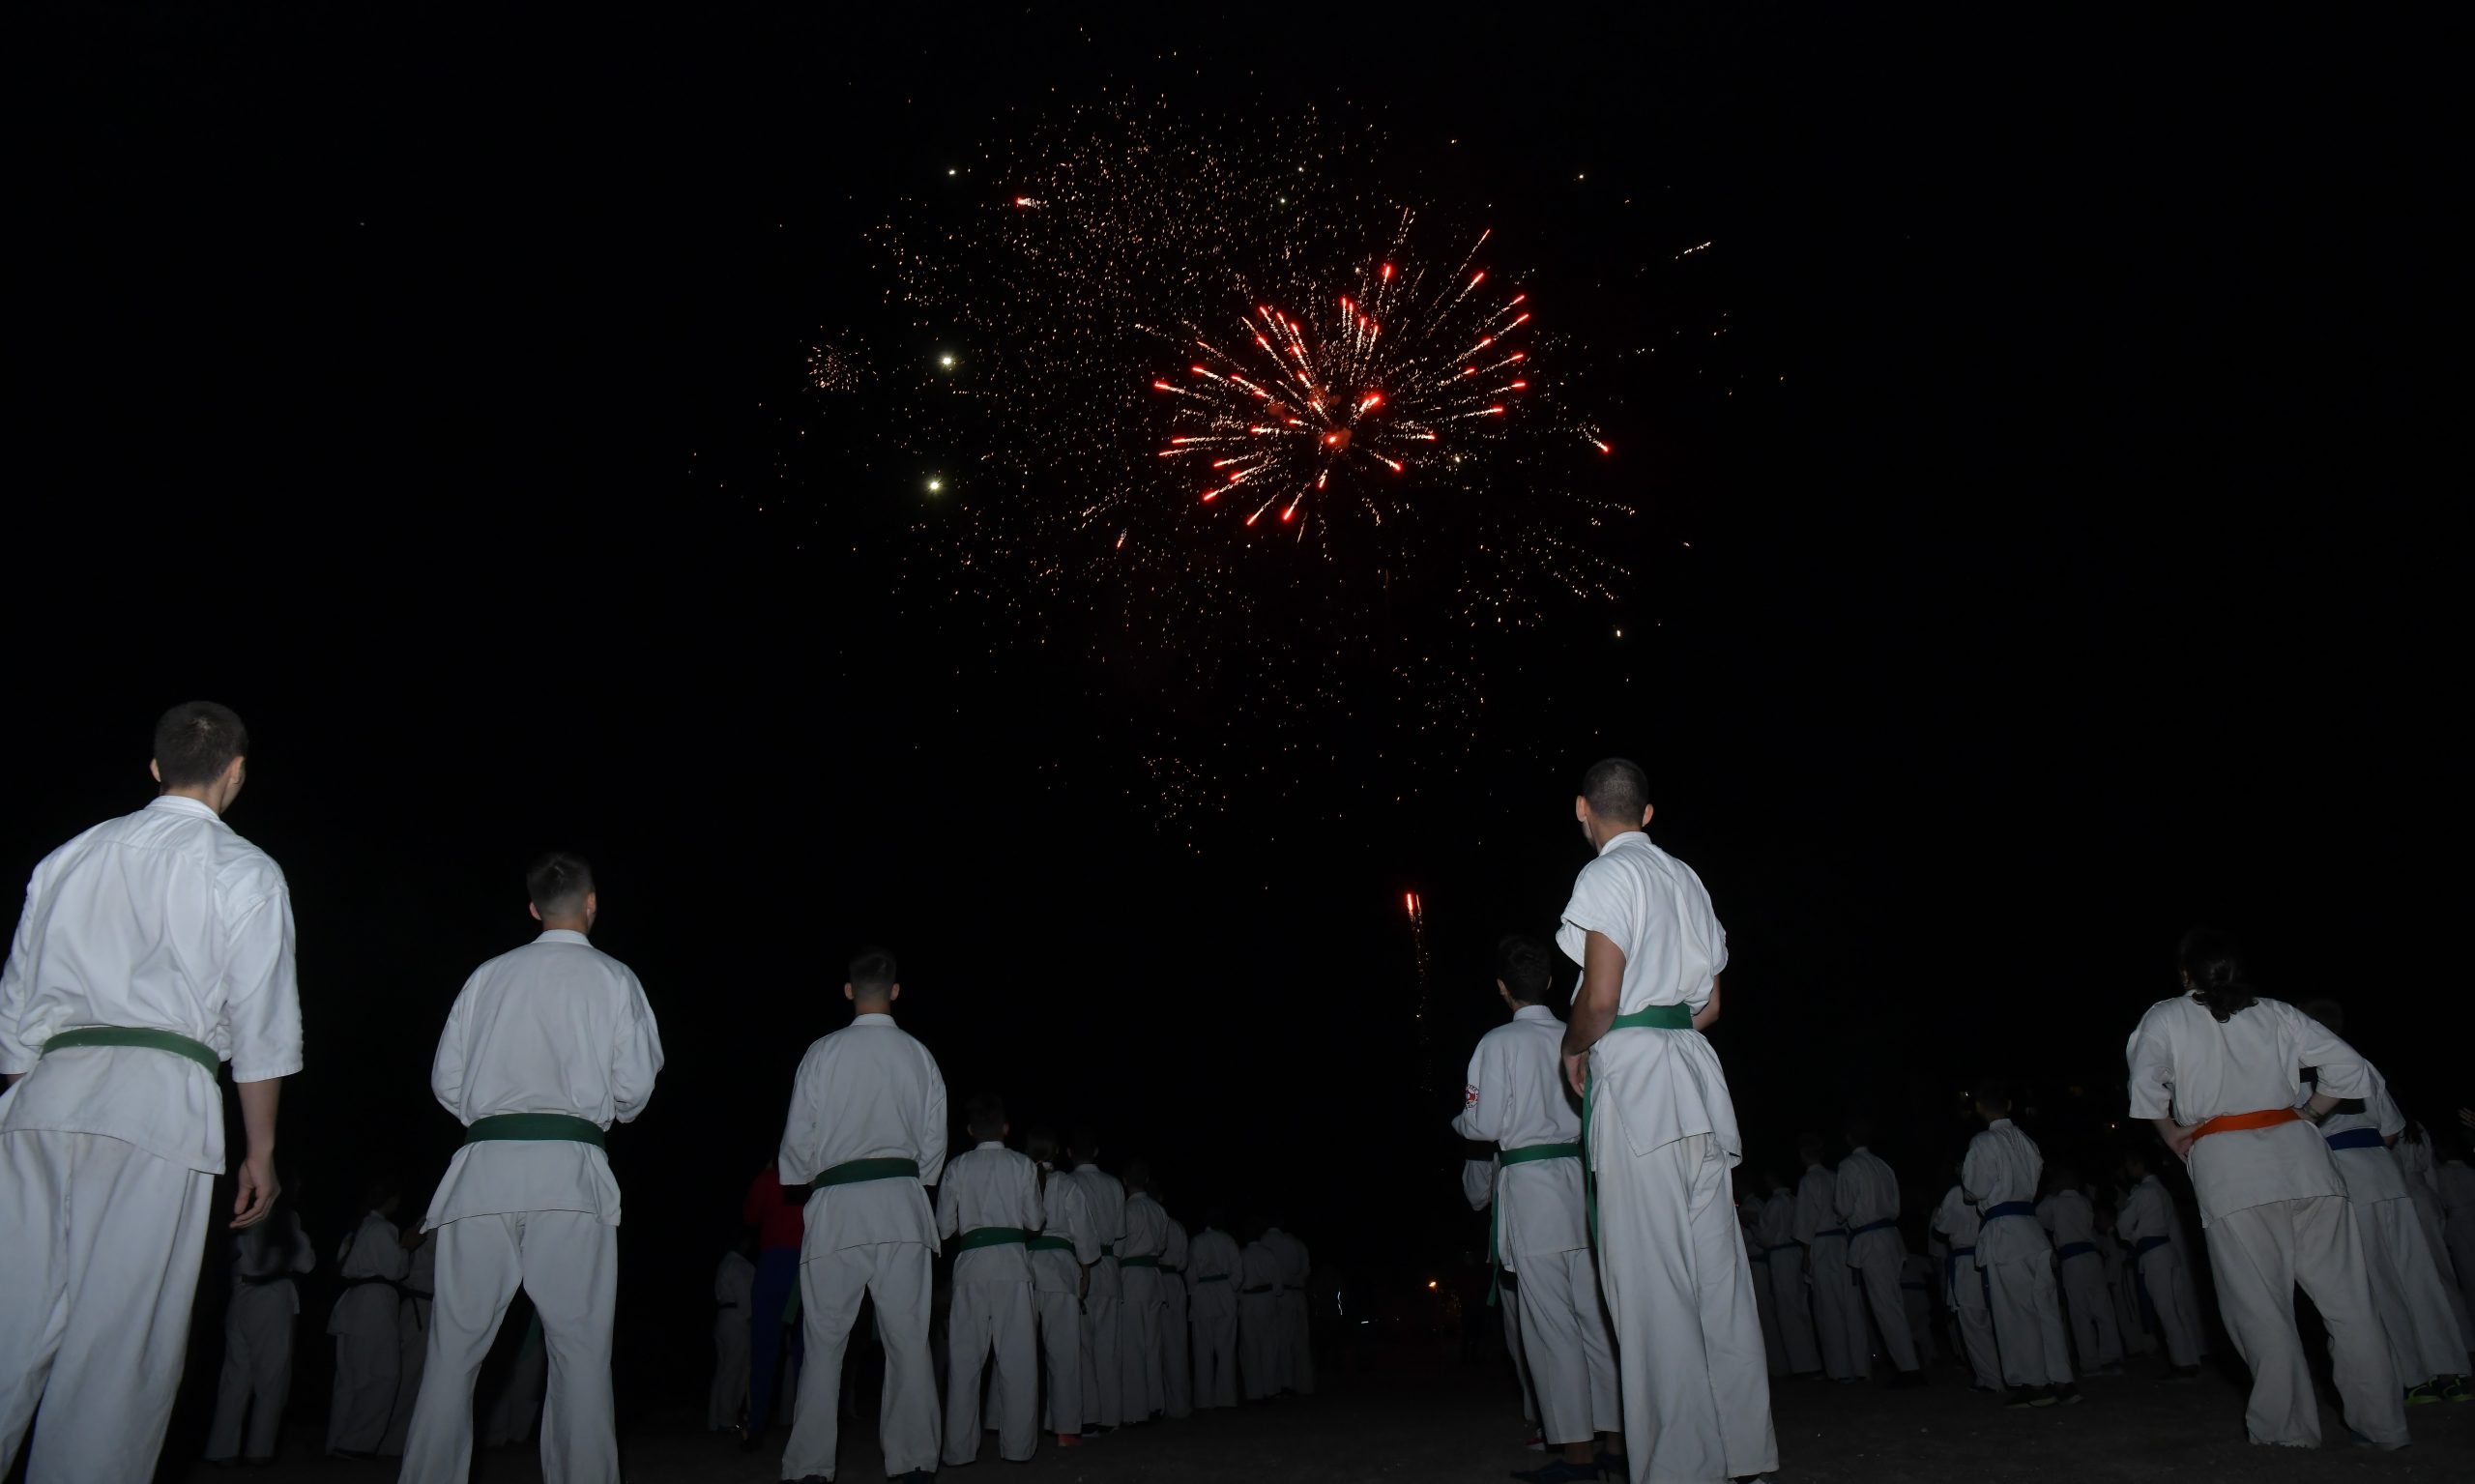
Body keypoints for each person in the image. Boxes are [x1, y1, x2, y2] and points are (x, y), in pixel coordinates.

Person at [0, 702, 300, 1484]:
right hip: (160, 1108)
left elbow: (15, 1009)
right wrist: (261, 1150)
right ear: (236, 773)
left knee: (8, 1327)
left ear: (156, 768)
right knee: (117, 1348)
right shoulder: (246, 871)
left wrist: (35, 1105)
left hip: (41, 1099)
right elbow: (260, 1024)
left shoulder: (68, 857)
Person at [396, 851, 666, 1484]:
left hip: (482, 1176)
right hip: (569, 1180)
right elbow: (633, 1094)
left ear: (532, 908)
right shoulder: (615, 979)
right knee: (578, 1353)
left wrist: (497, 1111)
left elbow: (447, 1082)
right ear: (593, 901)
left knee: (452, 1356)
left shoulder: (488, 976)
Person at [1555, 758, 1777, 1483]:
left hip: (1642, 1088)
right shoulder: (1686, 877)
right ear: (1647, 813)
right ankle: (1742, 1452)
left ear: (1583, 810)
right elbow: (1709, 1004)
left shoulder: (1604, 876)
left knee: (1653, 1290)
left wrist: (1574, 1042)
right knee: (1720, 1283)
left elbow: (1603, 993)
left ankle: (1682, 1466)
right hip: (1698, 1084)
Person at [2123, 928, 2405, 1449]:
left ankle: (2287, 1429)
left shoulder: (2166, 1015)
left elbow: (2145, 1088)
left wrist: (2173, 1136)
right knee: (2350, 1302)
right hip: (2305, 1163)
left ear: (2187, 974)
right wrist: (2308, 1113)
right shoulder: (2276, 1011)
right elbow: (2349, 1068)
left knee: (2260, 1306)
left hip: (2232, 1170)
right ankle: (2384, 1424)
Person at [775, 947, 947, 1484]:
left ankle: (809, 1468)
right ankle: (914, 1461)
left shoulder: (822, 1053)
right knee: (908, 1342)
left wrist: (805, 1174)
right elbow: (933, 1149)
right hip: (901, 1211)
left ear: (848, 991)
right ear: (896, 991)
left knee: (825, 1344)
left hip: (838, 1216)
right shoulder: (920, 1056)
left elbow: (799, 1142)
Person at [1452, 932, 1620, 1481]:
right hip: (1580, 1180)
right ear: (1548, 982)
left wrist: (1460, 1123)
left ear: (1503, 989)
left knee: (1551, 1327)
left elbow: (1484, 1124)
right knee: (1596, 1317)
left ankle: (1575, 1453)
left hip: (1530, 1187)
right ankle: (1616, 1436)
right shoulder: (1578, 1034)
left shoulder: (1496, 1044)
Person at [2297, 1003, 2471, 1405]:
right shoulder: (2360, 1065)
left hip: (2346, 1176)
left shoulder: (2297, 1077)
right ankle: (2451, 1370)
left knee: (2379, 1280)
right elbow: (2390, 1129)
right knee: (2419, 1273)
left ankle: (2413, 1376)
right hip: (2385, 1173)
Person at [936, 1093, 1043, 1467]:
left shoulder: (956, 1168)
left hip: (971, 1271)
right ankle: (1017, 1448)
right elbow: (1034, 1222)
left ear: (969, 1131)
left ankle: (959, 1450)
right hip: (1013, 1269)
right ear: (1006, 1128)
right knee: (1018, 1361)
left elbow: (945, 1227)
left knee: (964, 1362)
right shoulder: (1023, 1166)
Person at [1962, 1082, 2078, 1407]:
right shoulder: (2027, 1141)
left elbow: (1975, 1189)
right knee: (2045, 1309)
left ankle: (2033, 1382)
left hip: (2005, 1231)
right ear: (2009, 1105)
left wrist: (1969, 1187)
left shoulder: (1983, 1141)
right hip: (2032, 1230)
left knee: (2016, 1311)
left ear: (1980, 1109)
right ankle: (2062, 1379)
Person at [204, 1194, 316, 1466]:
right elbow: (306, 1262)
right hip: (270, 1296)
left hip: (240, 1295)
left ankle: (221, 1450)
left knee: (235, 1376)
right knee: (271, 1378)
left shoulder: (242, 1212)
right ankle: (259, 1452)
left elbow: (231, 1252)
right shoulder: (283, 1216)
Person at [1837, 1120, 1926, 1386]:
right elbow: (1896, 1203)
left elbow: (1842, 1207)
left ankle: (1909, 1368)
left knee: (1885, 1304)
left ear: (1849, 1139)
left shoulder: (1849, 1166)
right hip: (1890, 1237)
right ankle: (1908, 1362)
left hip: (1871, 1238)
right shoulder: (1883, 1165)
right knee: (1892, 1301)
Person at [1024, 1130, 1096, 1445]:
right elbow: (1083, 1231)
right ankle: (1066, 1428)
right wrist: (1085, 1270)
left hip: (1024, 1269)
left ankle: (1009, 1425)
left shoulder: (1020, 1181)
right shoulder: (1067, 1184)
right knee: (1064, 1354)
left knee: (1018, 1353)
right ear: (1057, 1152)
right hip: (1061, 1272)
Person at [328, 1182, 408, 1456]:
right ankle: (356, 1443)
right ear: (391, 1199)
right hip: (373, 1308)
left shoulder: (358, 1229)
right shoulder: (383, 1229)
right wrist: (406, 1249)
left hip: (351, 1307)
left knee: (349, 1381)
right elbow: (395, 1269)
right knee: (382, 1377)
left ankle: (337, 1441)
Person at [1061, 1132, 1128, 1435]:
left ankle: (1089, 1418)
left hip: (1080, 1265)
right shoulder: (1114, 1184)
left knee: (1082, 1346)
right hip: (1110, 1266)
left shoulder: (1067, 1183)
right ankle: (1111, 1418)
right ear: (1097, 1150)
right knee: (1109, 1346)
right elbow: (1119, 1233)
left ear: (1069, 1151)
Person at [2115, 1149, 2203, 1377]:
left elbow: (2123, 1225)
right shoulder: (2162, 1190)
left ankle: (2181, 1364)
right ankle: (2190, 1357)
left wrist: (2130, 1235)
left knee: (2166, 1309)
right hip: (2167, 1250)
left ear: (2137, 1164)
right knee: (2178, 1307)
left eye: (2129, 1165)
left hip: (2153, 1254)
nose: (2127, 1169)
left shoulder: (2143, 1192)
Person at [741, 1159, 808, 1445]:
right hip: (805, 1266)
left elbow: (750, 1218)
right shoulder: (812, 1179)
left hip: (773, 1266)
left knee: (763, 1351)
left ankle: (755, 1426)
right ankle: (807, 1428)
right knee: (807, 1352)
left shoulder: (767, 1178)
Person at [2037, 1165, 2124, 1377]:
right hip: (2091, 1258)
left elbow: (2040, 1219)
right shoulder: (2084, 1201)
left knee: (2080, 1313)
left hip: (2072, 1261)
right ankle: (2111, 1357)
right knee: (2102, 1309)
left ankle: (2091, 1362)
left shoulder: (2053, 1203)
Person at [1792, 1138, 1862, 1381]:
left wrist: (1806, 1254)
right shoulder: (1835, 1176)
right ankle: (1861, 1366)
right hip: (1843, 1243)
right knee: (1851, 1305)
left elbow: (1805, 1222)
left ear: (1804, 1155)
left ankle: (1841, 1369)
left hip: (1822, 1245)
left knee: (1828, 1308)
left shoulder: (1809, 1181)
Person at [1931, 1176, 2002, 1392]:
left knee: (1973, 1321)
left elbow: (1942, 1226)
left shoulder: (1956, 1193)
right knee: (1991, 1320)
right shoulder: (1993, 1189)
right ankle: (1991, 1375)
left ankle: (1991, 1379)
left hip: (1966, 1260)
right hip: (1990, 1259)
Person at [379, 1224, 438, 1457]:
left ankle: (397, 1442)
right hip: (420, 1307)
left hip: (425, 1307)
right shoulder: (433, 1221)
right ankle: (390, 1444)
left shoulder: (434, 1219)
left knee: (413, 1377)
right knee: (409, 1376)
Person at [1120, 1160, 1172, 1422]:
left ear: (1125, 1181)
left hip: (1131, 1277)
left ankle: (1136, 1409)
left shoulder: (1125, 1210)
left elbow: (1119, 1247)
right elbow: (1162, 1246)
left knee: (1133, 1344)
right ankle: (1155, 1404)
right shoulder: (1159, 1211)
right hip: (1154, 1278)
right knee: (1153, 1343)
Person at [1757, 1171, 1821, 1377]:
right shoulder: (1794, 1199)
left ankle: (1803, 1365)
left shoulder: (1776, 1204)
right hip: (1795, 1252)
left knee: (1788, 1310)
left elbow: (1765, 1236)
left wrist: (1754, 1224)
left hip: (1781, 1255)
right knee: (1801, 1306)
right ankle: (1811, 1361)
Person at [1186, 1208, 1244, 1411]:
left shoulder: (1197, 1241)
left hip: (1203, 1296)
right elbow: (1238, 1271)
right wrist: (1229, 1288)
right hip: (1224, 1294)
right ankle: (1226, 1398)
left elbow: (1191, 1272)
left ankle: (1204, 1400)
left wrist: (1195, 1291)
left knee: (1202, 1350)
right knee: (1227, 1349)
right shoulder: (1228, 1240)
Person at [1262, 1219, 1314, 1395]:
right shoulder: (1297, 1245)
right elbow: (1303, 1269)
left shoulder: (1265, 1241)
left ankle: (1285, 1383)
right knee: (1300, 1341)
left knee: (1281, 1340)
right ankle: (1302, 1383)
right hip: (1297, 1294)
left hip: (1280, 1294)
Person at [712, 1239, 757, 1433]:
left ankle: (716, 1419)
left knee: (724, 1370)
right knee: (735, 1370)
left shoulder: (726, 1263)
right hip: (737, 1319)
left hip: (723, 1317)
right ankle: (726, 1420)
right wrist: (750, 1318)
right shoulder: (738, 1265)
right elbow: (744, 1296)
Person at [1238, 1221, 1284, 1402]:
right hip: (1266, 1300)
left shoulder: (1241, 1255)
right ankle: (1270, 1389)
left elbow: (1238, 1283)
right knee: (1270, 1345)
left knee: (1250, 1347)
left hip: (1248, 1302)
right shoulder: (1268, 1254)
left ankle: (1254, 1392)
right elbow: (1278, 1284)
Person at [1159, 1206, 1194, 1418]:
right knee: (1176, 1344)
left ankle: (1166, 1403)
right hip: (1171, 1282)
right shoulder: (1176, 1226)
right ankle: (1177, 1404)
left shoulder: (1168, 1225)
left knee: (1158, 1345)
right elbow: (1183, 1261)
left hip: (1160, 1280)